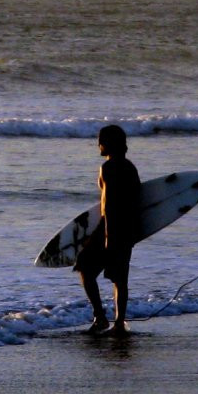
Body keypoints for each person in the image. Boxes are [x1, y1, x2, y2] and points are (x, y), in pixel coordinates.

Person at [76, 124, 139, 335]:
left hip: (110, 227)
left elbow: (110, 205)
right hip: (128, 226)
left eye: (100, 141)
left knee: (84, 267)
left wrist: (108, 238)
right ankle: (119, 323)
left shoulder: (108, 168)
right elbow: (136, 200)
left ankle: (101, 317)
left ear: (108, 144)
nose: (98, 145)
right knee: (120, 277)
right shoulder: (130, 167)